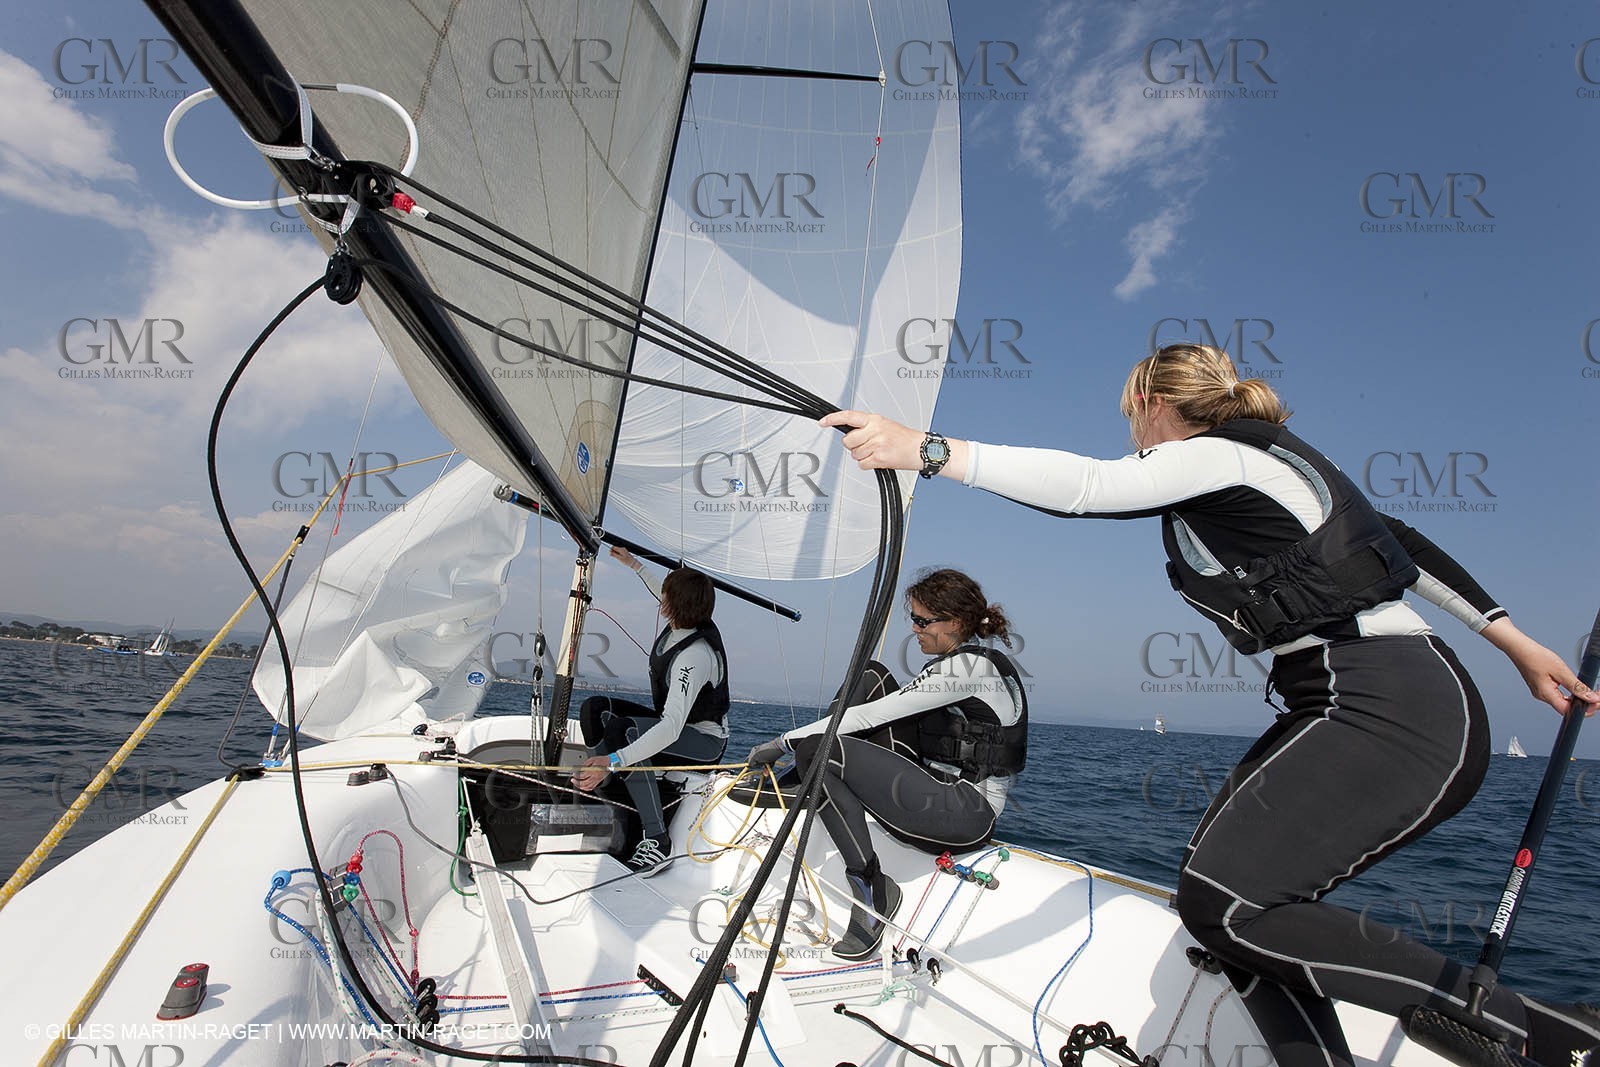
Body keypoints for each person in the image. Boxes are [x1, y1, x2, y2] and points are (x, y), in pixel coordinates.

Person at [816, 342, 1600, 1067]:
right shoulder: (1249, 472)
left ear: (1150, 403)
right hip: (1335, 696)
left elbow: (1090, 487)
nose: (1129, 433)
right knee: (1222, 909)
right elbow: (1402, 545)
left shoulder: (1224, 456)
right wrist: (1515, 642)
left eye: (1129, 414)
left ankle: (1546, 1034)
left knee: (1225, 904)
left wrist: (926, 450)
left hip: (1393, 700)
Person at [749, 568, 1027, 960]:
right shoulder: (960, 663)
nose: (914, 629)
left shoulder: (967, 670)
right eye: (913, 618)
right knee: (871, 674)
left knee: (818, 749)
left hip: (965, 814)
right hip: (936, 787)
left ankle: (872, 890)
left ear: (955, 623)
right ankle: (803, 781)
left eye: (922, 621)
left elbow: (869, 717)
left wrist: (781, 743)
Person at [572, 547, 730, 875]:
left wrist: (613, 760)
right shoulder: (686, 618)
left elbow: (670, 727)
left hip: (703, 741)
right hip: (676, 726)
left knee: (624, 732)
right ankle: (608, 793)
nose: (661, 599)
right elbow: (660, 587)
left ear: (673, 605)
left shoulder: (694, 656)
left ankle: (657, 840)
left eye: (666, 596)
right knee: (595, 709)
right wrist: (634, 564)